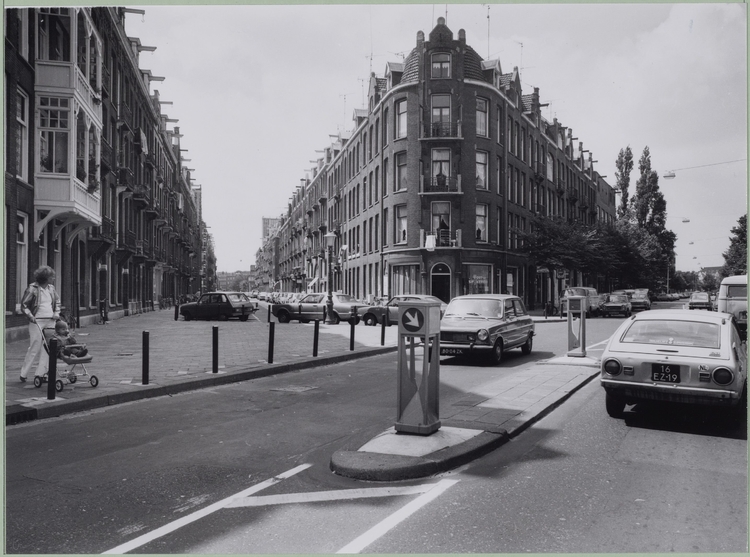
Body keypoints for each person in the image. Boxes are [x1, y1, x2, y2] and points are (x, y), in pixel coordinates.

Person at [19, 266, 60, 382]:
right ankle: (24, 373)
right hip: (37, 320)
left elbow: (57, 301)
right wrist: (30, 316)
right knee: (35, 345)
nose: (54, 279)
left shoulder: (51, 288)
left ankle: (41, 373)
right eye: (52, 277)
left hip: (50, 320)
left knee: (48, 347)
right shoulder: (32, 288)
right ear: (45, 278)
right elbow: (24, 305)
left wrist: (56, 313)